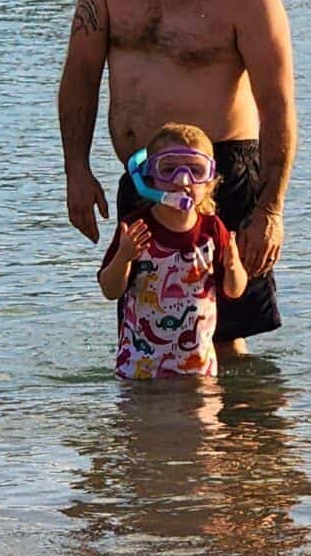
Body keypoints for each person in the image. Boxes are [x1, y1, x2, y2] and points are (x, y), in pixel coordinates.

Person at [59, 0, 295, 357]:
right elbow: (80, 75)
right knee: (144, 332)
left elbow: (278, 108)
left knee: (223, 340)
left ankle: (247, 434)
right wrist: (75, 171)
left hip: (222, 181)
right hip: (143, 179)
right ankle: (152, 437)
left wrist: (269, 209)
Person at [99, 123, 250, 381]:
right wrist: (123, 256)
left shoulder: (213, 229)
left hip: (198, 370)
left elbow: (234, 291)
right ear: (149, 179)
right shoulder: (137, 229)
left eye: (195, 170)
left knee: (205, 423)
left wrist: (235, 267)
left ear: (209, 181)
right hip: (140, 370)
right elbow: (110, 290)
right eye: (168, 170)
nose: (182, 180)